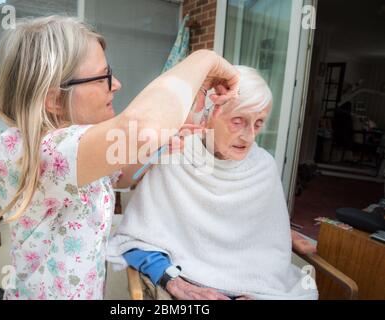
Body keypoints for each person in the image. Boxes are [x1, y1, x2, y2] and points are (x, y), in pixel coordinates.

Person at [0, 15, 239, 300]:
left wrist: (161, 145)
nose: (117, 84)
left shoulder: (80, 141)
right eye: (104, 76)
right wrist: (204, 58)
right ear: (55, 99)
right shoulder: (29, 149)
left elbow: (121, 176)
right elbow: (142, 128)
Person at [107, 66, 318, 300]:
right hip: (190, 281)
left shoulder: (263, 166)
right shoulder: (176, 155)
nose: (249, 136)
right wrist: (172, 281)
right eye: (238, 121)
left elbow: (270, 247)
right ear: (210, 115)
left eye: (258, 123)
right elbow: (138, 239)